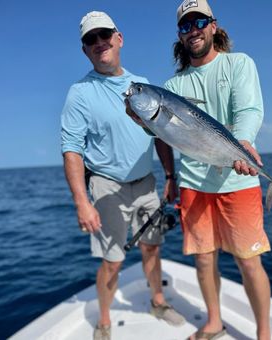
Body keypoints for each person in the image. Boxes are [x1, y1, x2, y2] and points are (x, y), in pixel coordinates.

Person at [126, 1, 271, 339]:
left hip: (238, 177)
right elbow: (162, 132)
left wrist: (245, 143)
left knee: (249, 262)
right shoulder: (173, 87)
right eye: (185, 26)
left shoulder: (238, 64)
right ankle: (214, 322)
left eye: (199, 22)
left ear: (214, 26)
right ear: (179, 35)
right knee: (204, 261)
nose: (193, 30)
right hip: (193, 185)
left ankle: (263, 333)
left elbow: (249, 108)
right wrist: (142, 121)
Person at [61, 10, 185, 340]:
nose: (99, 42)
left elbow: (159, 136)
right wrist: (81, 202)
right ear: (85, 49)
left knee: (152, 248)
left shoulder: (142, 85)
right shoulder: (80, 93)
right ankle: (103, 321)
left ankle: (158, 301)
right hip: (106, 188)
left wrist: (171, 177)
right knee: (113, 261)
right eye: (91, 39)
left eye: (105, 35)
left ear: (119, 38)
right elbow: (71, 149)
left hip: (147, 183)